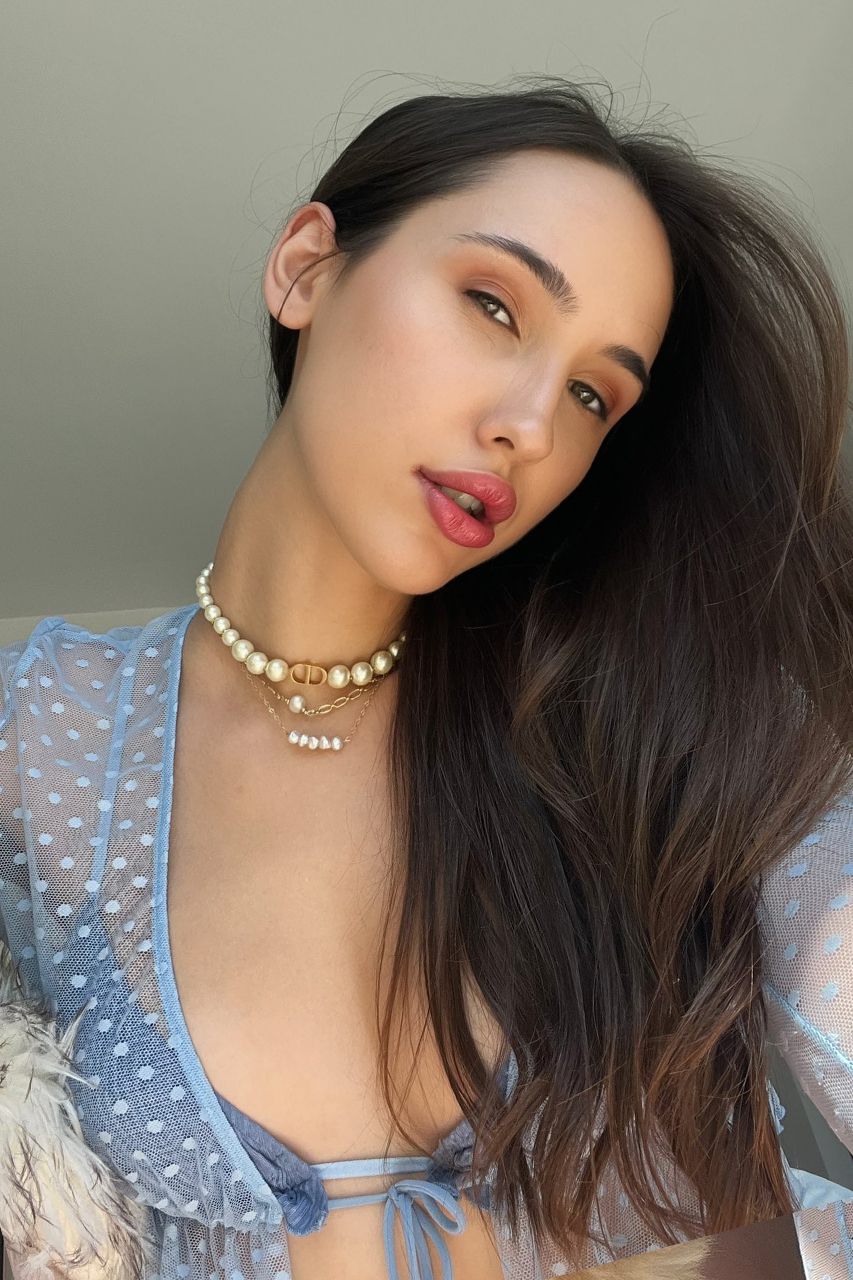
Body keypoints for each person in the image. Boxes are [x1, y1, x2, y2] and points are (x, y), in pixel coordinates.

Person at [1, 74, 852, 1280]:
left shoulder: (663, 724)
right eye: (494, 305)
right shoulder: (37, 729)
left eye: (592, 393)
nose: (530, 425)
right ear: (306, 268)